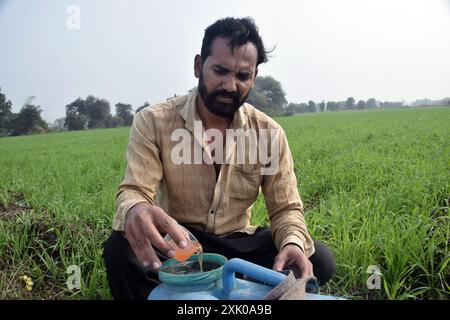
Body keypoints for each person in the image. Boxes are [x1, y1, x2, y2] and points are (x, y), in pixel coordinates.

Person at [103, 17, 336, 300]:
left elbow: (286, 208)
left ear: (254, 77)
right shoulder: (153, 121)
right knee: (120, 249)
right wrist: (135, 208)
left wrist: (293, 244)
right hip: (181, 243)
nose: (229, 85)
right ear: (199, 66)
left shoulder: (268, 133)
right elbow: (135, 189)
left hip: (240, 244)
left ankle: (217, 289)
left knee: (317, 258)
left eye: (241, 76)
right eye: (220, 71)